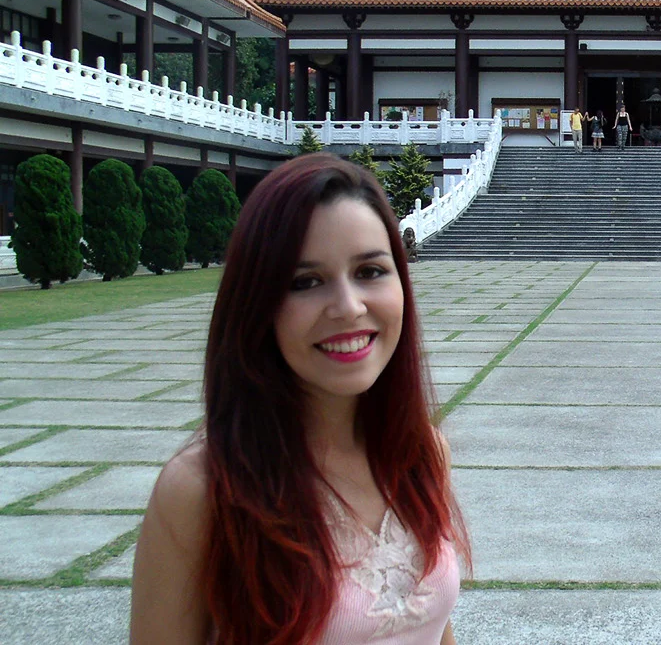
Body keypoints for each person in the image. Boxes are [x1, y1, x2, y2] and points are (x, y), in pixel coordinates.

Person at [130, 154, 471, 645]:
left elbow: (435, 629)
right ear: (258, 304)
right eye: (305, 282)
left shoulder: (422, 453)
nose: (349, 307)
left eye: (371, 271)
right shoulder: (204, 491)